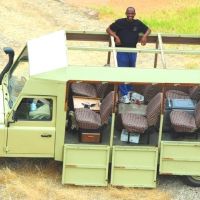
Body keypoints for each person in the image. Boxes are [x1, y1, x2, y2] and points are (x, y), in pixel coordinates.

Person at [106, 6, 151, 103]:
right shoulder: (120, 22)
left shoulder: (137, 23)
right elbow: (108, 29)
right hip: (121, 50)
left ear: (134, 14)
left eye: (132, 14)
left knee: (131, 72)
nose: (130, 15)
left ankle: (129, 91)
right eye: (128, 13)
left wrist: (144, 37)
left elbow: (148, 30)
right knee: (122, 72)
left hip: (132, 51)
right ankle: (124, 94)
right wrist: (116, 37)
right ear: (126, 13)